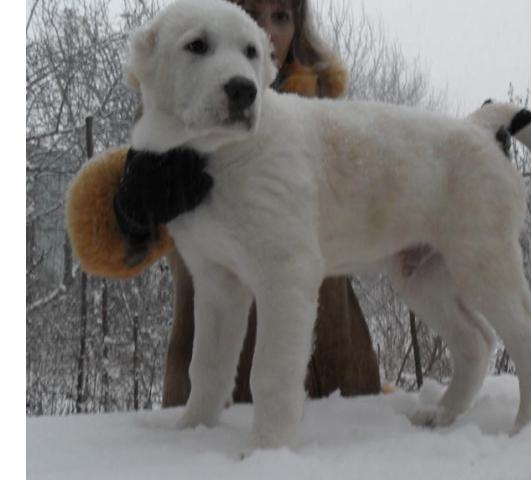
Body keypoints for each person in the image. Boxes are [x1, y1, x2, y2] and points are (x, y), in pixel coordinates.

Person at [66, 0, 381, 408]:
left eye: (282, 17)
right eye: (250, 11)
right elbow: (100, 243)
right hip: (217, 402)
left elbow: (405, 184)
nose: (266, 30)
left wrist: (475, 150)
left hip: (343, 388)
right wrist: (129, 213)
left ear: (299, 29)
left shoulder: (331, 122)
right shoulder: (173, 130)